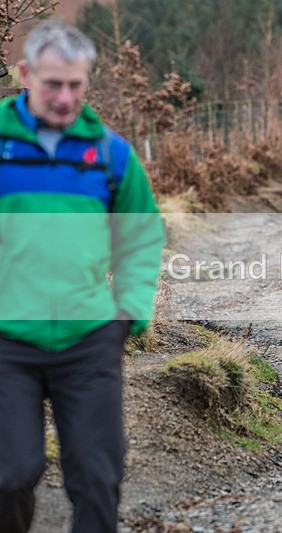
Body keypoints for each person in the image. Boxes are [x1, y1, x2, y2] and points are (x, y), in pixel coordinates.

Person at [0, 19, 165, 532]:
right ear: (25, 74)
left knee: (97, 479)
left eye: (76, 84)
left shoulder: (112, 155)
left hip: (91, 340)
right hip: (8, 343)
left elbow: (141, 237)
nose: (66, 97)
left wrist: (130, 313)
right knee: (9, 475)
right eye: (53, 83)